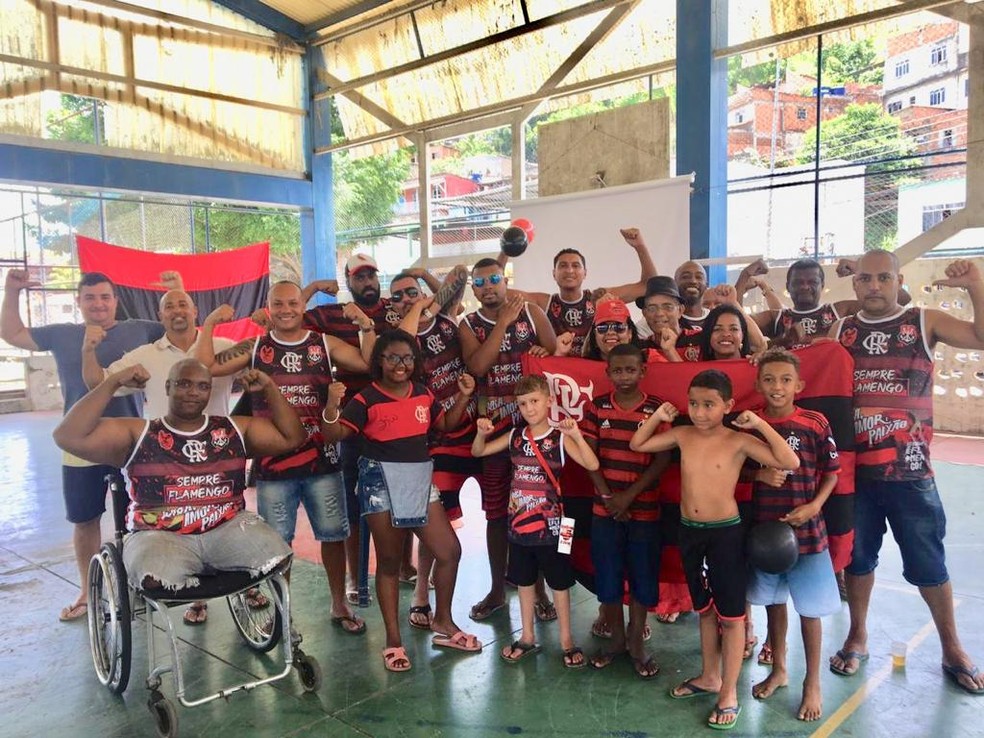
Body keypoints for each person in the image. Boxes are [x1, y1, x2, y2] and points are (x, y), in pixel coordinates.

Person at [827, 251, 984, 695]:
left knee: (929, 563)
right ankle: (858, 635)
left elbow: (980, 335)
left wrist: (975, 284)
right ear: (854, 284)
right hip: (856, 473)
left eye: (883, 277)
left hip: (911, 472)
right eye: (865, 278)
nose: (873, 286)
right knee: (858, 560)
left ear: (899, 280)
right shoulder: (842, 329)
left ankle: (952, 647)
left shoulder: (923, 320)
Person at [196, 282, 374, 636]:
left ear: (302, 306)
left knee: (333, 537)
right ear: (269, 307)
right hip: (273, 465)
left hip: (322, 460)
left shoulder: (321, 343)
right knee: (278, 545)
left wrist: (366, 327)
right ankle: (283, 612)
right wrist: (213, 324)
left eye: (293, 302)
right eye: (278, 304)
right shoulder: (257, 346)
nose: (286, 309)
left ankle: (339, 603)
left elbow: (367, 362)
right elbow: (207, 366)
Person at [630, 370, 800, 731]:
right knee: (705, 610)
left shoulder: (739, 440)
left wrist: (759, 425)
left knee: (732, 616)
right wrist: (657, 419)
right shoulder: (682, 434)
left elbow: (789, 462)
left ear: (728, 406)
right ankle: (709, 676)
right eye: (694, 404)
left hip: (725, 535)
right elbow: (639, 445)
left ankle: (729, 693)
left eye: (709, 405)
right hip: (690, 532)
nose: (700, 412)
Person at [51, 359, 304, 600]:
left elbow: (292, 437)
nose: (193, 391)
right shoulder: (140, 432)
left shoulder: (233, 429)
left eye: (202, 386)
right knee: (155, 579)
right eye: (183, 383)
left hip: (226, 529)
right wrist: (113, 382)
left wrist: (270, 388)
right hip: (159, 534)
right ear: (167, 387)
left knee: (279, 558)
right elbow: (68, 436)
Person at [1, 269, 165, 621]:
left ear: (115, 300)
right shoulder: (63, 334)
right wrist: (11, 290)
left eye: (105, 297)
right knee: (84, 517)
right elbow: (12, 333)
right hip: (80, 439)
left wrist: (178, 289)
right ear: (79, 302)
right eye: (90, 297)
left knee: (139, 518)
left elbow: (182, 329)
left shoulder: (141, 329)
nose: (98, 304)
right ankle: (88, 591)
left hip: (129, 440)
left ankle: (140, 582)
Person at [322, 329, 481, 672]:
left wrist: (464, 397)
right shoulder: (365, 399)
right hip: (379, 480)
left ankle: (443, 622)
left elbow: (446, 425)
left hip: (420, 479)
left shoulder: (423, 394)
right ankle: (394, 641)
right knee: (391, 561)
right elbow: (334, 435)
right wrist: (333, 405)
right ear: (379, 360)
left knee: (449, 551)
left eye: (407, 358)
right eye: (393, 357)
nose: (401, 364)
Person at [81, 288, 242, 625]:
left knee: (228, 522)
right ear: (160, 316)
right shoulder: (145, 356)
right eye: (169, 306)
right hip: (163, 461)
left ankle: (245, 582)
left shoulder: (222, 349)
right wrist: (88, 349)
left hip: (216, 458)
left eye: (183, 303)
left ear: (196, 310)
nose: (176, 310)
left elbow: (263, 366)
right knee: (175, 531)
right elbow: (98, 382)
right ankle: (195, 596)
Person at [301, 254, 423, 601]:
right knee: (354, 503)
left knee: (402, 497)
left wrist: (421, 283)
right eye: (360, 277)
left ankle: (404, 565)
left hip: (395, 419)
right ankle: (356, 578)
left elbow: (437, 306)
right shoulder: (331, 314)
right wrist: (311, 288)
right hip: (353, 422)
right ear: (348, 281)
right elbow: (289, 315)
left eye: (371, 275)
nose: (367, 282)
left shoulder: (394, 307)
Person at [471, 375, 599, 669]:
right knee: (524, 582)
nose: (529, 408)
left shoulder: (560, 437)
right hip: (518, 529)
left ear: (549, 402)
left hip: (555, 528)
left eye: (534, 401)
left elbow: (592, 464)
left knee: (560, 584)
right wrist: (481, 432)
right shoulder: (516, 435)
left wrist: (577, 435)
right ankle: (527, 636)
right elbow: (479, 451)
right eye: (523, 404)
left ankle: (567, 640)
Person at [459, 258, 557, 622]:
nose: (488, 287)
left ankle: (543, 590)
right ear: (473, 290)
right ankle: (498, 589)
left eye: (494, 279)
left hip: (537, 432)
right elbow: (478, 367)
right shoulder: (468, 325)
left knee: (542, 510)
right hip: (496, 432)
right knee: (498, 514)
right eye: (480, 282)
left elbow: (555, 357)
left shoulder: (532, 312)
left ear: (505, 281)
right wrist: (501, 325)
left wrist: (546, 353)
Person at [746, 349, 842, 721]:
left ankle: (812, 682)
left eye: (785, 380)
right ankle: (780, 669)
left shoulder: (815, 423)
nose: (777, 387)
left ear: (799, 385)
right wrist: (758, 476)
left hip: (808, 534)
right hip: (765, 534)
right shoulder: (749, 426)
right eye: (769, 379)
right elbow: (733, 469)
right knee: (773, 603)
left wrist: (816, 505)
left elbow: (832, 472)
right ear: (757, 384)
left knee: (811, 611)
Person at [390, 270, 480, 629]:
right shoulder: (395, 340)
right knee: (435, 521)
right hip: (436, 440)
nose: (407, 298)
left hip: (476, 430)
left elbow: (457, 284)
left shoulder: (447, 323)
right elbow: (404, 336)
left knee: (506, 511)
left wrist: (431, 281)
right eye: (398, 296)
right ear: (392, 305)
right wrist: (422, 300)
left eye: (412, 292)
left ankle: (527, 586)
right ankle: (422, 595)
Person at [582, 344, 668, 677]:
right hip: (605, 513)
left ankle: (637, 644)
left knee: (643, 579)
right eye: (617, 370)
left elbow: (662, 460)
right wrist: (608, 497)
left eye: (630, 370)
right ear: (608, 372)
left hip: (644, 512)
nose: (623, 376)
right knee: (608, 578)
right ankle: (616, 641)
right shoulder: (596, 407)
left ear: (643, 371)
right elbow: (589, 458)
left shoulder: (658, 410)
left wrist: (628, 497)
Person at [504, 227, 657, 356]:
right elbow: (497, 292)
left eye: (576, 265)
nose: (569, 270)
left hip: (592, 372)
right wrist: (505, 251)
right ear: (554, 273)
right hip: (560, 376)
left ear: (585, 273)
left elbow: (647, 286)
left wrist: (640, 246)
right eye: (563, 266)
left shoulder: (601, 297)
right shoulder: (544, 303)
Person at [735, 258, 910, 347]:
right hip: (787, 397)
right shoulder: (777, 317)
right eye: (798, 282)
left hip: (830, 392)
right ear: (788, 286)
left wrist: (860, 269)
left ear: (822, 285)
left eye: (812, 282)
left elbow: (901, 299)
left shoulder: (839, 311)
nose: (805, 287)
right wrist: (744, 276)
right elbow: (735, 321)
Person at [635, 276, 693, 362]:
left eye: (668, 307)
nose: (659, 314)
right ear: (644, 313)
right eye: (652, 308)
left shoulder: (699, 339)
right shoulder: (640, 349)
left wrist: (670, 351)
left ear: (680, 310)